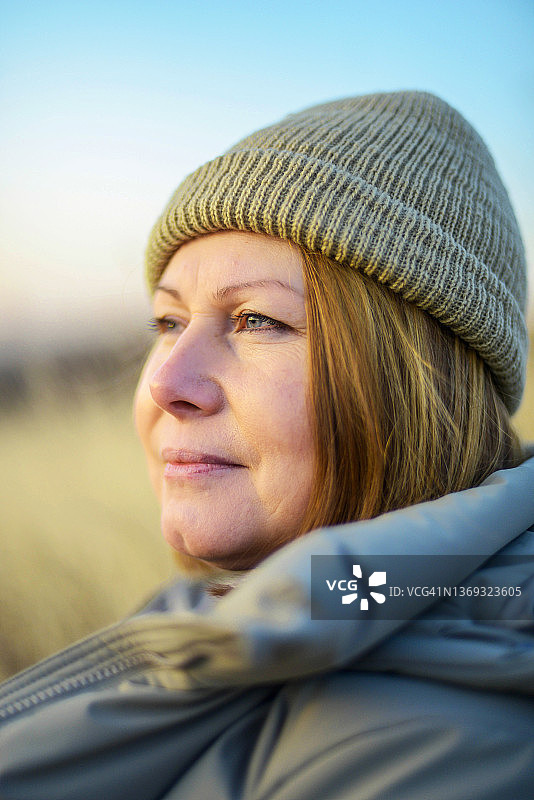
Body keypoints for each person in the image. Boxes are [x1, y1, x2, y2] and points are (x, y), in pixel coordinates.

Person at [1, 91, 533, 799]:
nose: (166, 382)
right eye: (167, 321)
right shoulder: (264, 629)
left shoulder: (426, 748)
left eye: (256, 320)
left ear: (415, 381)